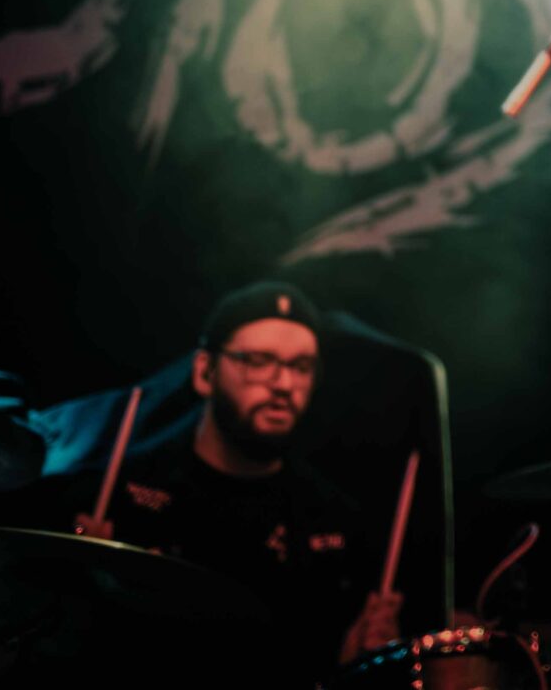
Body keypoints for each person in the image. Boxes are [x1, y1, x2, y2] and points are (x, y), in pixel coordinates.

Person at [70, 282, 402, 675]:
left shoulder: (334, 520)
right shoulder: (120, 492)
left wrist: (361, 663)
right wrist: (80, 591)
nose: (284, 385)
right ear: (204, 372)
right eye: (258, 361)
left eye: (301, 367)